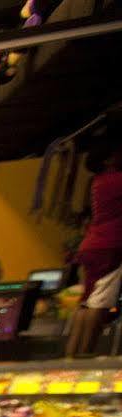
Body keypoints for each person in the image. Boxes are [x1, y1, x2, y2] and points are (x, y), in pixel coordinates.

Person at [67, 140, 121, 358]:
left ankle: (71, 358)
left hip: (92, 244)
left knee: (86, 302)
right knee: (101, 301)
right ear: (107, 159)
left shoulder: (98, 181)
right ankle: (86, 355)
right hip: (111, 245)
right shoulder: (117, 180)